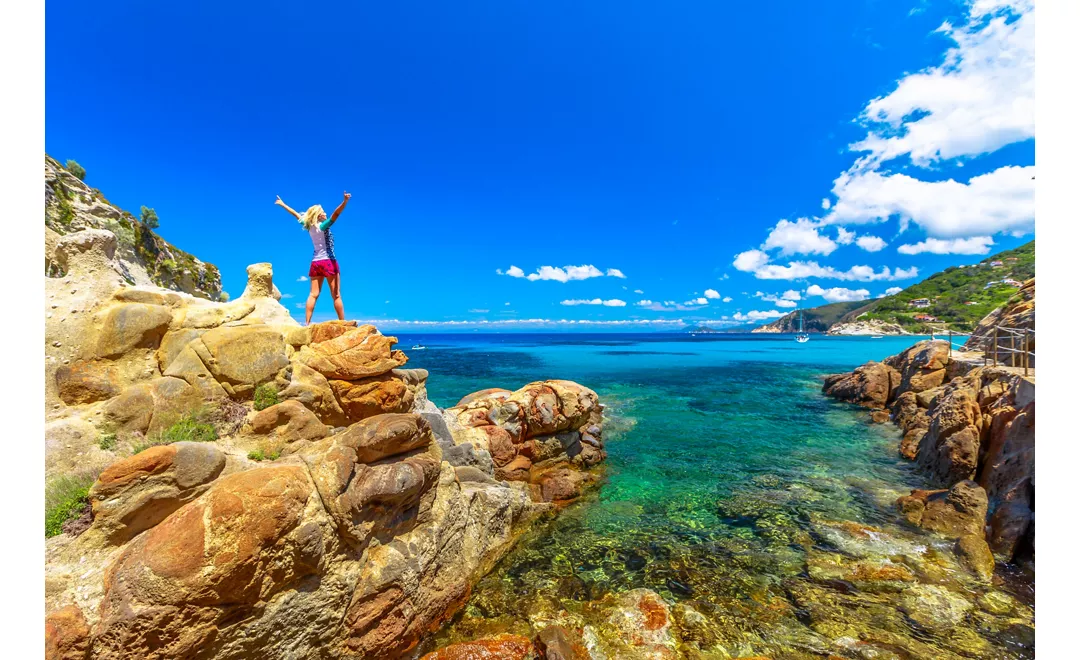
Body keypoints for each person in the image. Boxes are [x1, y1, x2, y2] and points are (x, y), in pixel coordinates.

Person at [275, 191, 351, 325]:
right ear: (318, 215)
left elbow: (295, 214)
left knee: (313, 294)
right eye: (323, 212)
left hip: (315, 263)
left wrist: (282, 204)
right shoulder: (323, 226)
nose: (325, 213)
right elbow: (336, 214)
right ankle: (343, 323)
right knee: (336, 294)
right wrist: (345, 201)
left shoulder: (309, 226)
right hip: (328, 262)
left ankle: (307, 323)